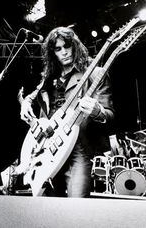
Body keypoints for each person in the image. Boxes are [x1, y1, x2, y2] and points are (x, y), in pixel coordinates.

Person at [18, 26, 115, 197]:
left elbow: (110, 115)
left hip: (79, 148)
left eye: (67, 46)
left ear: (75, 46)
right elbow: (29, 96)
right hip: (48, 148)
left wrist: (97, 110)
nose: (64, 52)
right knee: (48, 210)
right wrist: (25, 103)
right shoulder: (48, 78)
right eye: (58, 49)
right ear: (52, 53)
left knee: (75, 211)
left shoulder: (94, 74)